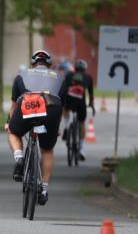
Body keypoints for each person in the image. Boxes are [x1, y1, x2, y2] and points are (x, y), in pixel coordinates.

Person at [5, 49, 67, 206]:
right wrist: (55, 127)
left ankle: (19, 158)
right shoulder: (60, 78)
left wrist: (9, 122)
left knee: (13, 132)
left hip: (28, 104)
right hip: (51, 108)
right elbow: (61, 106)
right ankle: (44, 189)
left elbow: (13, 107)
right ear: (49, 64)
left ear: (32, 64)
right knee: (47, 150)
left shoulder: (22, 75)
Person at [61, 59, 95, 160]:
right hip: (81, 102)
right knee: (82, 123)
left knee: (65, 110)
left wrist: (62, 102)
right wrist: (91, 104)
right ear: (85, 70)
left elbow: (63, 89)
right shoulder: (88, 77)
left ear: (75, 68)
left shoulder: (69, 75)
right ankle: (81, 148)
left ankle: (66, 128)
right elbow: (91, 94)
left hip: (69, 99)